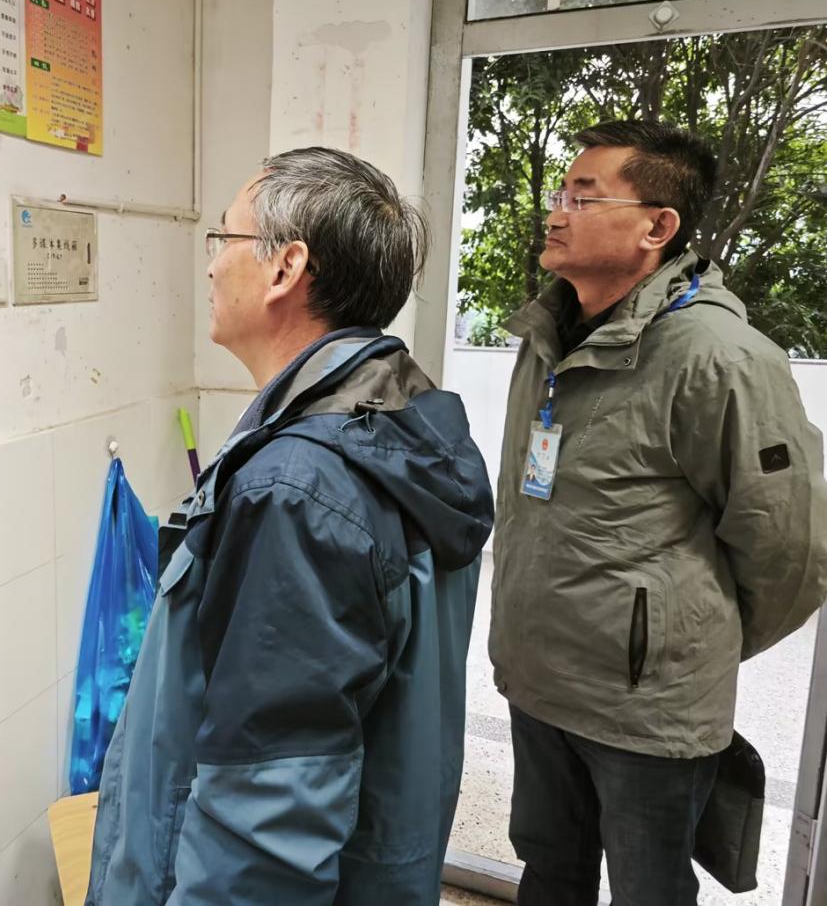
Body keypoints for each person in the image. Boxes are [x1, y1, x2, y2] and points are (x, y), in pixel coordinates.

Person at [85, 147, 494, 905]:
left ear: (285, 268)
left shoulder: (297, 489)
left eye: (224, 238)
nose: (212, 265)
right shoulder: (400, 420)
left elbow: (266, 820)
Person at [490, 120, 827, 905]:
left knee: (649, 889)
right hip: (539, 679)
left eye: (582, 197)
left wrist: (678, 646)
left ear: (656, 226)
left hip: (647, 710)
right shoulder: (545, 333)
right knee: (548, 869)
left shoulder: (719, 357)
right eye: (559, 194)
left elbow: (791, 550)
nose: (556, 211)